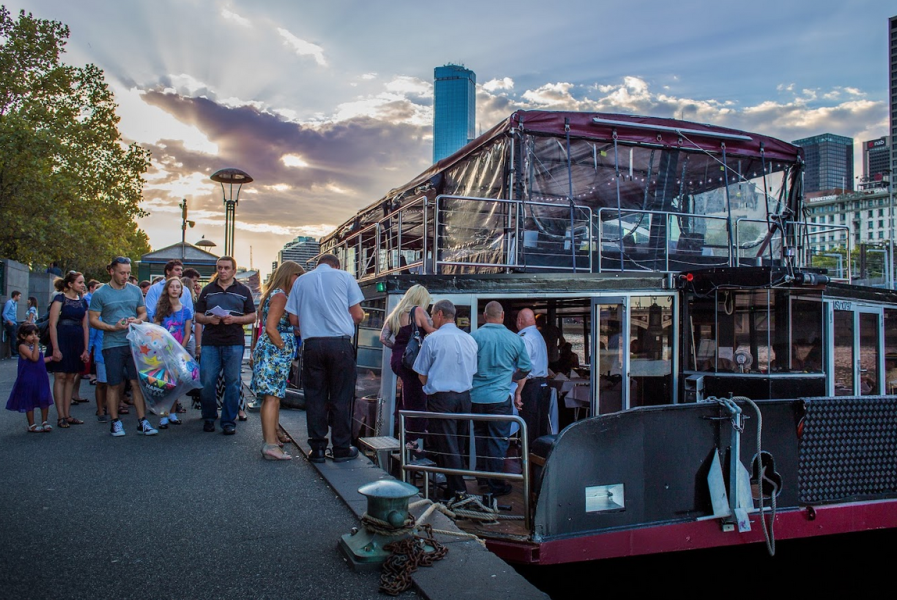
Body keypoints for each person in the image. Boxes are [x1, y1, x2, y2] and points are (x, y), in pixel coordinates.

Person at [285, 253, 364, 463]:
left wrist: (313, 323)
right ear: (336, 265)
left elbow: (293, 318)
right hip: (339, 344)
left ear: (318, 265)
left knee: (315, 397)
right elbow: (357, 315)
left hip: (312, 345)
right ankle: (341, 448)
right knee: (341, 397)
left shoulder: (301, 281)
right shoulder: (345, 277)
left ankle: (318, 449)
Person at [412, 300, 478, 497]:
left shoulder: (433, 339)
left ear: (440, 314)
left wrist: (429, 387)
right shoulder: (469, 339)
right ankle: (454, 487)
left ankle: (457, 490)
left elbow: (421, 373)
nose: (431, 318)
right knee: (458, 442)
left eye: (432, 314)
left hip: (442, 398)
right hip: (465, 397)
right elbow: (473, 370)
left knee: (447, 443)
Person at [88, 256, 158, 437]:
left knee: (137, 383)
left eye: (128, 273)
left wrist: (138, 320)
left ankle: (142, 421)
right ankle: (115, 422)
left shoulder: (135, 291)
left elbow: (143, 314)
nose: (125, 276)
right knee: (114, 384)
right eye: (122, 273)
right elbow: (93, 320)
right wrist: (112, 327)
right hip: (112, 344)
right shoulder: (100, 293)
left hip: (134, 344)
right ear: (111, 271)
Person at [470, 301, 530, 496]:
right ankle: (495, 485)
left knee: (480, 440)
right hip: (500, 397)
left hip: (476, 398)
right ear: (503, 315)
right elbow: (526, 367)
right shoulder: (515, 339)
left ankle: (482, 480)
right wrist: (512, 377)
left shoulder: (474, 337)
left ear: (485, 317)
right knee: (498, 441)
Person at [194, 256, 256, 435]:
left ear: (234, 271)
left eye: (226, 268)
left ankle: (228, 421)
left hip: (234, 341)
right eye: (220, 268)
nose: (222, 271)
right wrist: (209, 319)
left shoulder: (243, 291)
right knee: (207, 381)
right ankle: (209, 417)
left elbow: (252, 316)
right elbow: (198, 316)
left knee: (233, 382)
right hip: (211, 342)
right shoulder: (208, 290)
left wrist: (235, 319)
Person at [251, 261, 305, 460]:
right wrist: (283, 348)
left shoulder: (273, 295)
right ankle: (270, 445)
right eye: (298, 276)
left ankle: (272, 438)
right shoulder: (281, 297)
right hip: (274, 353)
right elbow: (271, 328)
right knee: (272, 398)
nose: (299, 280)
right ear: (290, 275)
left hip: (269, 351)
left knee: (270, 397)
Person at [380, 284, 436, 451]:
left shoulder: (395, 313)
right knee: (417, 397)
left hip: (398, 359)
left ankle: (407, 430)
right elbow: (431, 331)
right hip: (413, 361)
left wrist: (398, 348)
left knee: (408, 393)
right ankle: (413, 437)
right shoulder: (418, 311)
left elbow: (383, 338)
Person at [46, 272, 89, 428]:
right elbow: (52, 324)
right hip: (62, 338)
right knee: (61, 376)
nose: (82, 285)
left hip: (76, 340)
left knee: (71, 376)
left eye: (83, 282)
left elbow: (85, 326)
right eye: (79, 282)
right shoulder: (60, 298)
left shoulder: (83, 302)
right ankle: (60, 416)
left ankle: (68, 414)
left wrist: (86, 349)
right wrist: (55, 348)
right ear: (70, 284)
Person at [153, 277, 193, 428]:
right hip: (163, 350)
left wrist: (181, 349)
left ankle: (173, 412)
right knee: (164, 383)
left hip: (179, 350)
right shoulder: (161, 309)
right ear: (167, 290)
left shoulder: (186, 311)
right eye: (172, 287)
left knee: (176, 383)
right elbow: (155, 330)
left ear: (182, 291)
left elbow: (187, 332)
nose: (175, 289)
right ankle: (163, 415)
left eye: (178, 287)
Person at [6, 323, 54, 432]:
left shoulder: (34, 346)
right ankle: (31, 424)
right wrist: (37, 345)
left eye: (35, 334)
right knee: (29, 399)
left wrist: (51, 358)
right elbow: (35, 358)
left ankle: (45, 421)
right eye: (31, 334)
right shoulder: (22, 347)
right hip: (28, 377)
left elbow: (40, 361)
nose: (34, 336)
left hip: (40, 376)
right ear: (23, 336)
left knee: (44, 397)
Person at [515, 308, 551, 445]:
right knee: (540, 425)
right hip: (543, 384)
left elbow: (524, 368)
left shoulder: (525, 338)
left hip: (530, 386)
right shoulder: (538, 335)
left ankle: (527, 458)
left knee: (528, 425)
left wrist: (518, 392)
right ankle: (539, 459)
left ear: (519, 321)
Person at [3, 290, 21, 358]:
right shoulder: (9, 303)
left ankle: (19, 350)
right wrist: (9, 321)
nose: (19, 298)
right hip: (9, 323)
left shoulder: (15, 303)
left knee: (22, 329)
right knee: (13, 336)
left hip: (14, 322)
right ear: (15, 296)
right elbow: (4, 313)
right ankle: (14, 353)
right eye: (19, 296)